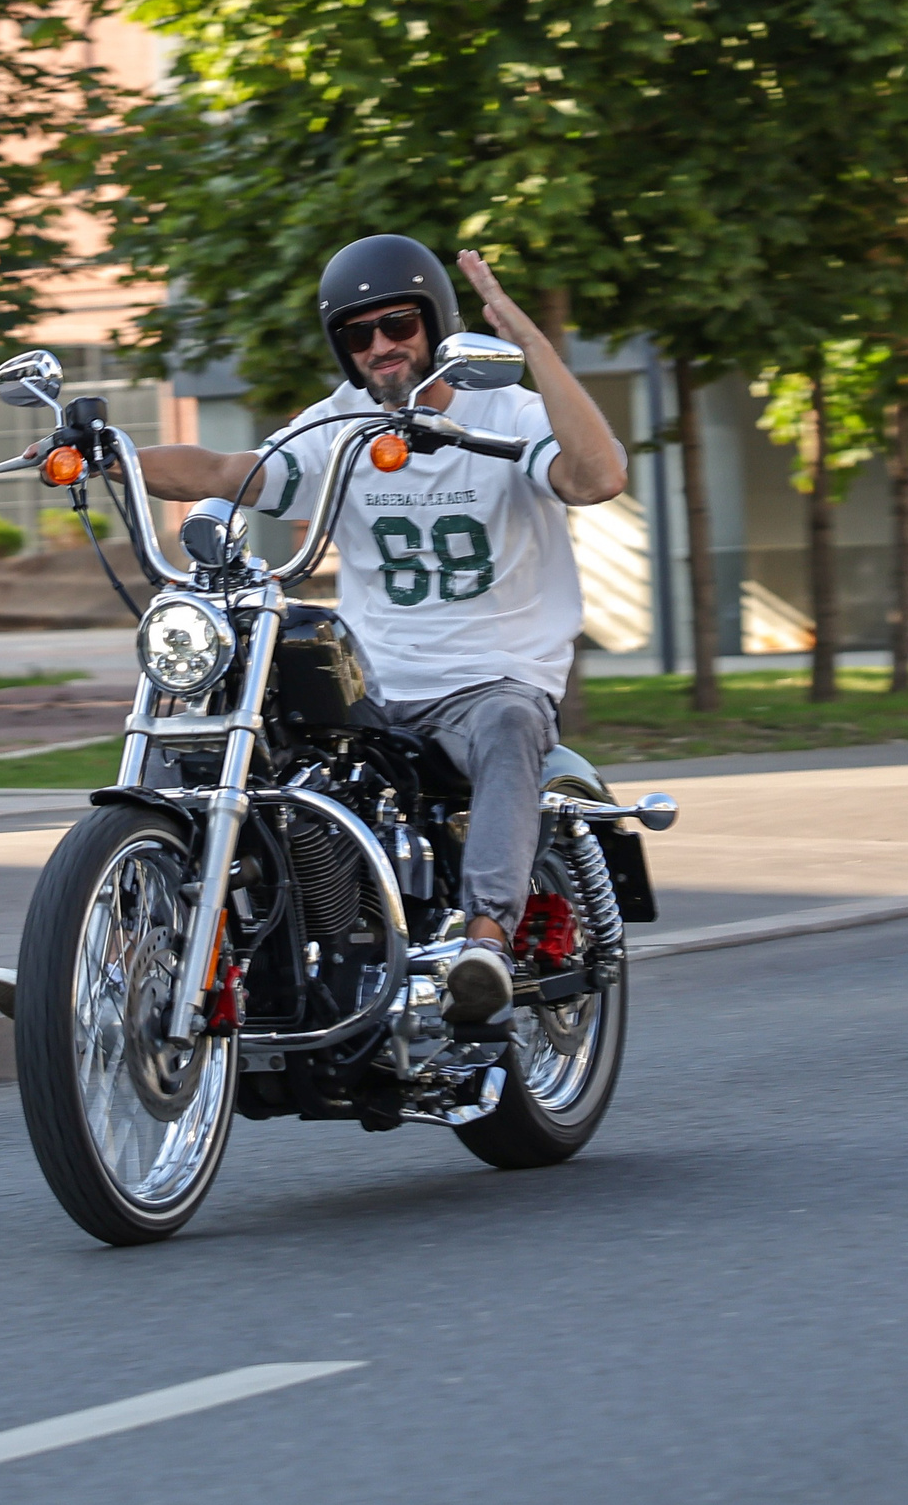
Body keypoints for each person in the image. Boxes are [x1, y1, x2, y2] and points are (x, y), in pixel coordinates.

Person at [132, 235, 629, 1023]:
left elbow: (597, 476)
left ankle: (486, 946)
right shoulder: (341, 425)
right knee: (234, 703)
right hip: (373, 682)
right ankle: (128, 942)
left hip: (491, 677)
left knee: (508, 720)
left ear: (435, 322)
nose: (380, 347)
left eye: (397, 324)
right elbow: (228, 471)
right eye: (358, 334)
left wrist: (529, 342)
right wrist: (105, 453)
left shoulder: (509, 411)